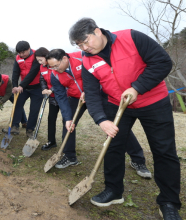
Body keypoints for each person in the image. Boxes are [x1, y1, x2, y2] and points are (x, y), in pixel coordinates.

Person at [69, 18, 181, 218]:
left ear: (97, 31)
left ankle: (169, 202)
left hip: (153, 101)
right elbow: (92, 94)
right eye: (79, 46)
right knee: (113, 147)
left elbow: (163, 62)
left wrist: (137, 87)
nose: (85, 48)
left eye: (86, 42)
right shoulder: (87, 60)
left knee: (164, 151)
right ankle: (113, 190)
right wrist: (102, 120)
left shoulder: (131, 37)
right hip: (116, 103)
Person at [46, 49, 151, 177]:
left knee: (115, 125)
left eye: (56, 66)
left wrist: (91, 91)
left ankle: (138, 160)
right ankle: (69, 156)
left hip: (98, 95)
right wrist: (67, 117)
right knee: (68, 124)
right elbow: (61, 96)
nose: (54, 69)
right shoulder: (55, 75)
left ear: (64, 58)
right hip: (75, 98)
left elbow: (102, 74)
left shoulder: (82, 57)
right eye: (51, 67)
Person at [3, 41, 43, 138]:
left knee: (34, 110)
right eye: (19, 53)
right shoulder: (18, 58)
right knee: (17, 105)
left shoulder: (36, 55)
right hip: (23, 88)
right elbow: (15, 72)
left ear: (29, 49)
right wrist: (15, 86)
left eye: (23, 52)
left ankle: (29, 130)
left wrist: (21, 85)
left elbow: (33, 73)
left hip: (37, 88)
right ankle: (15, 127)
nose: (21, 55)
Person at [0, 73, 28, 137]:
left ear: (1, 80)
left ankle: (24, 122)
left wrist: (0, 102)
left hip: (8, 93)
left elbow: (8, 94)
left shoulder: (7, 80)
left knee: (18, 105)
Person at [34, 47, 59, 151]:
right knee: (51, 119)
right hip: (52, 98)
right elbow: (42, 79)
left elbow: (62, 80)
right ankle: (51, 141)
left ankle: (68, 145)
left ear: (46, 57)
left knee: (67, 120)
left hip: (64, 96)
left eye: (41, 60)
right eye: (38, 61)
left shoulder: (55, 65)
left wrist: (52, 89)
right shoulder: (42, 68)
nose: (40, 62)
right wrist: (44, 89)